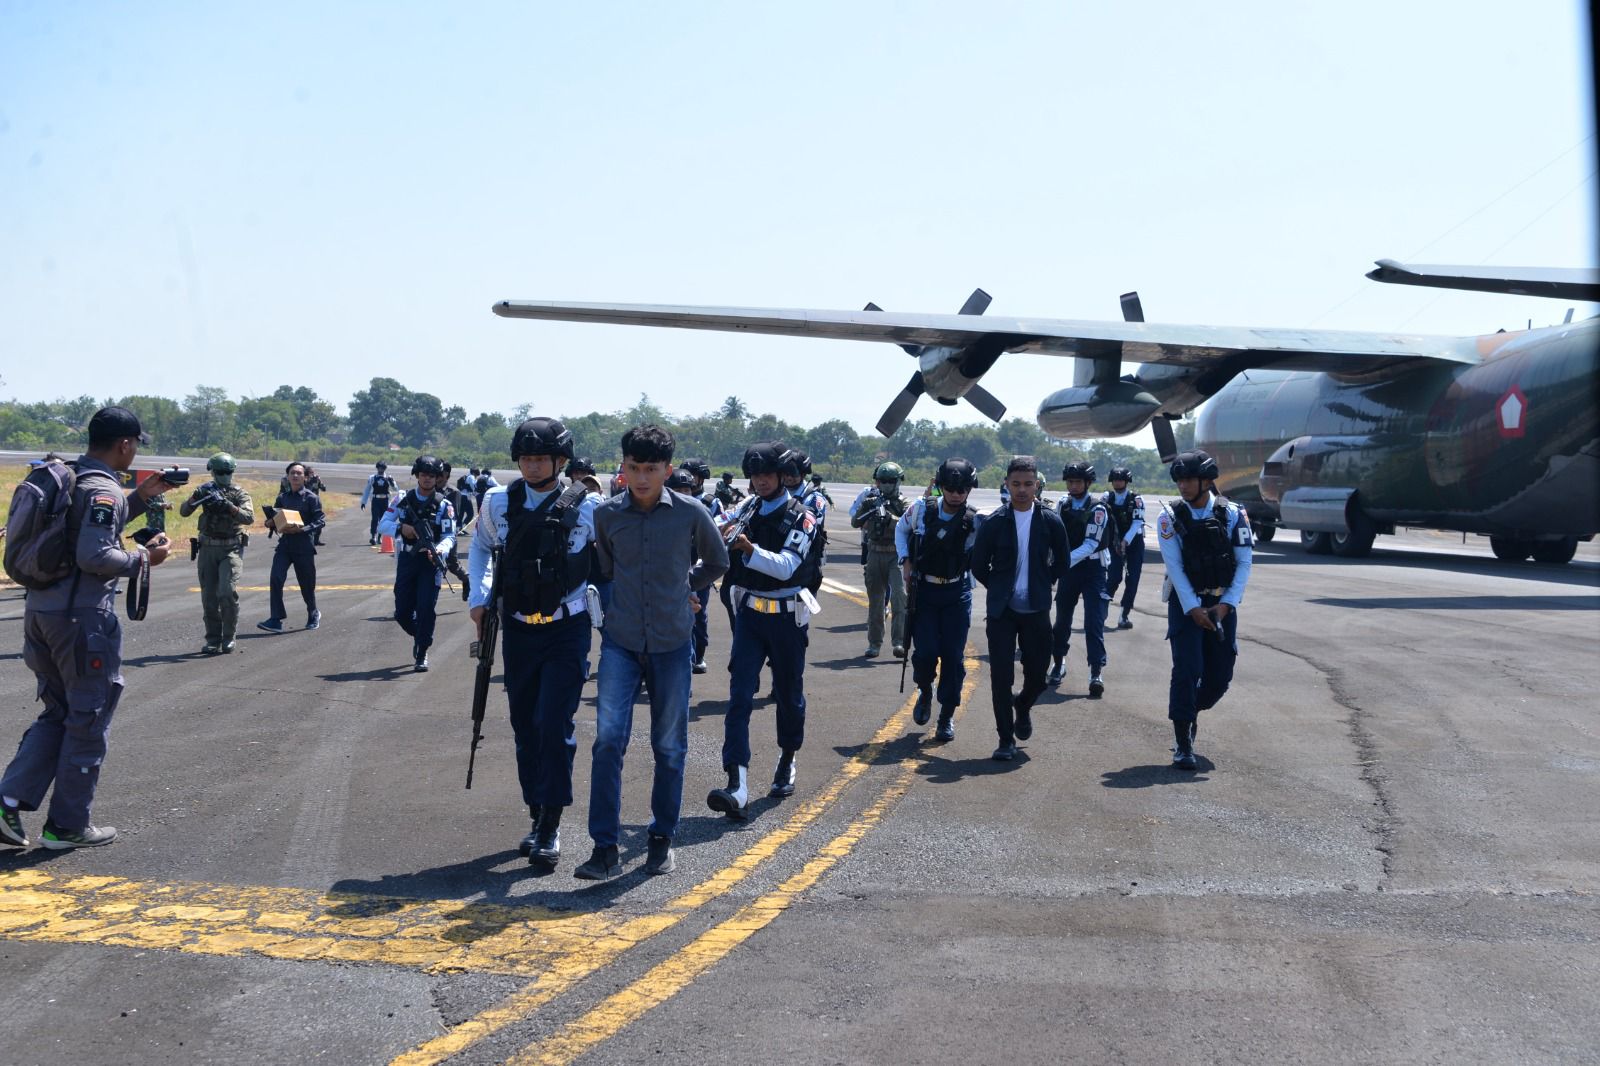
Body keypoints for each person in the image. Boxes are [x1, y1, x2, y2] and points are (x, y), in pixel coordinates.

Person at [1, 406, 173, 850]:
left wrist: (139, 498)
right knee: (88, 718)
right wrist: (143, 560)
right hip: (80, 622)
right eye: (135, 445)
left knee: (58, 713)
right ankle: (67, 826)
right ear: (125, 444)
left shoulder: (77, 478)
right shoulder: (104, 490)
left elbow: (79, 531)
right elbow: (94, 556)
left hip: (42, 614)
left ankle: (6, 803)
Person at [585, 425, 728, 879]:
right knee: (608, 742)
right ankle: (604, 847)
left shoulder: (690, 512)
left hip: (671, 644)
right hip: (621, 643)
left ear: (668, 470)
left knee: (669, 747)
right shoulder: (607, 516)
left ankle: (661, 837)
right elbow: (606, 569)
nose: (642, 478)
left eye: (651, 469)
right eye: (634, 468)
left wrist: (687, 586)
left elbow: (718, 560)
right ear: (622, 468)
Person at [469, 418, 597, 871]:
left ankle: (551, 824)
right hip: (519, 629)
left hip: (567, 628)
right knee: (524, 726)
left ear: (561, 461)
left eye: (540, 458)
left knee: (552, 723)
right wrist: (480, 597)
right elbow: (481, 548)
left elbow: (612, 558)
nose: (531, 465)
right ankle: (535, 811)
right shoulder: (496, 502)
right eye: (524, 458)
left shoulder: (589, 506)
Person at [707, 442, 817, 821]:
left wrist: (748, 549)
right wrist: (719, 531)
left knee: (789, 695)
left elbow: (787, 566)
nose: (761, 481)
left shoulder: (804, 517)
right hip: (751, 614)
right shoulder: (747, 507)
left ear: (783, 476)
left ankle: (787, 757)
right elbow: (720, 536)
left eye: (767, 474)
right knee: (739, 695)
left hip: (787, 617)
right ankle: (736, 783)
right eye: (754, 475)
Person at [1157, 450, 1252, 770]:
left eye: (1188, 480)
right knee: (1187, 668)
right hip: (1186, 605)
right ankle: (1183, 740)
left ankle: (1191, 710)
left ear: (1207, 481)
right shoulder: (1168, 516)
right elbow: (1174, 568)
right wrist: (1193, 609)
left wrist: (1226, 605)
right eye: (1179, 480)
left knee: (1220, 677)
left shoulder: (1235, 514)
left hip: (1222, 603)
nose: (1182, 486)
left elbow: (1244, 563)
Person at [970, 456, 1067, 761]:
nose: (1022, 490)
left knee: (1038, 677)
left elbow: (1062, 563)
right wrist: (1000, 589)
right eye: (1016, 484)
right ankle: (1005, 739)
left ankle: (1023, 706)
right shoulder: (995, 522)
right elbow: (977, 565)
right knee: (1001, 677)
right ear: (1006, 484)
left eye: (1028, 484)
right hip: (1002, 612)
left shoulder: (1051, 520)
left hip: (1036, 609)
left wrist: (1040, 584)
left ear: (1037, 484)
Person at [896, 457, 982, 742]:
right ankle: (924, 690)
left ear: (970, 489)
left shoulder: (974, 520)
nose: (956, 494)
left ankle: (946, 716)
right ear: (941, 486)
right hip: (925, 592)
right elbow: (901, 530)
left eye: (962, 489)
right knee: (925, 653)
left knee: (954, 657)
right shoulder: (921, 510)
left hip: (957, 593)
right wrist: (905, 560)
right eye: (950, 488)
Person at [377, 455, 456, 671]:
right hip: (407, 560)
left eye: (432, 475)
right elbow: (382, 525)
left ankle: (422, 651)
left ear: (438, 477)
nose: (428, 479)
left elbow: (450, 535)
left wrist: (440, 549)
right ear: (417, 476)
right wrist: (401, 529)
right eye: (423, 475)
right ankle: (420, 635)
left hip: (431, 563)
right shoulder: (402, 499)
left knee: (426, 608)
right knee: (402, 612)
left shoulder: (444, 505)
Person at [179, 452, 255, 654]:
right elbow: (184, 511)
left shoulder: (239, 493)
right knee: (209, 597)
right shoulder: (206, 490)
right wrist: (196, 496)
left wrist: (228, 506)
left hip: (230, 548)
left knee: (226, 592)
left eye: (226, 472)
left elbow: (248, 518)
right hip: (208, 548)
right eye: (220, 472)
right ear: (212, 472)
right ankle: (213, 639)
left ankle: (228, 637)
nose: (223, 475)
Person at [1047, 462, 1110, 698]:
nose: (1073, 486)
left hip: (1093, 569)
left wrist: (1061, 563)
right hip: (1070, 571)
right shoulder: (1062, 505)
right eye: (1070, 481)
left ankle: (1096, 672)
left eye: (1077, 482)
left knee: (1093, 623)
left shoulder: (1098, 509)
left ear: (1087, 483)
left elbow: (1091, 544)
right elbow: (1054, 535)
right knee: (1062, 620)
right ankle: (1058, 662)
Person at [849, 461, 909, 658]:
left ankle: (899, 642)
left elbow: (908, 525)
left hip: (895, 555)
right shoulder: (871, 500)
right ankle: (874, 643)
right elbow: (855, 521)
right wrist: (870, 508)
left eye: (890, 481)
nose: (885, 485)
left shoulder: (904, 503)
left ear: (897, 482)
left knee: (899, 598)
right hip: (875, 553)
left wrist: (889, 517)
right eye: (882, 481)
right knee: (875, 601)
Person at [257, 462, 325, 633]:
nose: (295, 476)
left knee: (306, 584)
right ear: (287, 476)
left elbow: (320, 520)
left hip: (303, 546)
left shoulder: (311, 498)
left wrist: (304, 529)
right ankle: (276, 619)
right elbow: (276, 520)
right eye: (292, 473)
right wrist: (270, 523)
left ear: (305, 477)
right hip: (285, 544)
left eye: (299, 473)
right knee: (276, 578)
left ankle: (313, 612)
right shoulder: (282, 498)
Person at [675, 459, 723, 674]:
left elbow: (715, 540)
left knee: (698, 617)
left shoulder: (710, 503)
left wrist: (700, 571)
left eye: (693, 477)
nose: (690, 481)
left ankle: (698, 655)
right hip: (674, 570)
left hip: (700, 568)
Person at [1103, 466, 1146, 629]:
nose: (1117, 482)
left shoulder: (1136, 499)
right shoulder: (1107, 498)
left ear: (1127, 481)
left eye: (1120, 479)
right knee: (1113, 578)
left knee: (1132, 579)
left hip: (1134, 543)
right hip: (1114, 542)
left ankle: (1123, 616)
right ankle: (1102, 612)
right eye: (1115, 479)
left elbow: (1137, 523)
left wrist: (1125, 541)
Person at [438, 462, 475, 600]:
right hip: (432, 533)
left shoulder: (453, 492)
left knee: (452, 564)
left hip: (447, 533)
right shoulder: (431, 489)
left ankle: (467, 580)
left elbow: (456, 514)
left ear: (446, 475)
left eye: (440, 474)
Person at [360, 461, 397, 546]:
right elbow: (367, 490)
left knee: (383, 520)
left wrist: (392, 482)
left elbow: (395, 489)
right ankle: (373, 536)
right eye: (379, 468)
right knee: (374, 519)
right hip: (376, 500)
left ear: (385, 469)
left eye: (382, 468)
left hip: (385, 501)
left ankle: (380, 537)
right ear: (377, 468)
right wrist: (363, 502)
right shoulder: (372, 478)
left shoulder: (388, 478)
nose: (381, 470)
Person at [304, 467, 328, 545]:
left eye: (313, 473)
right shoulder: (304, 481)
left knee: (319, 522)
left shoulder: (316, 480)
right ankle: (307, 540)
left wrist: (320, 481)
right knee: (308, 522)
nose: (313, 474)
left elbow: (324, 489)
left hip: (316, 504)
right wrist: (310, 481)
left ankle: (316, 540)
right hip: (306, 504)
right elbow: (307, 490)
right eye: (311, 473)